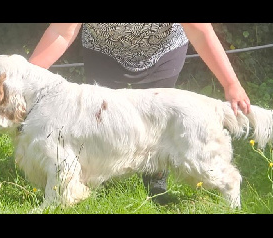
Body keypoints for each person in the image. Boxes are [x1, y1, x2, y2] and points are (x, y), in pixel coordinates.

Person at [29, 23, 251, 205]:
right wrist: (24, 79)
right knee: (105, 123)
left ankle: (156, 183)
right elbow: (61, 31)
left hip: (161, 49)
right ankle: (101, 177)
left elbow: (200, 30)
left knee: (159, 123)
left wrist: (231, 83)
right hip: (104, 49)